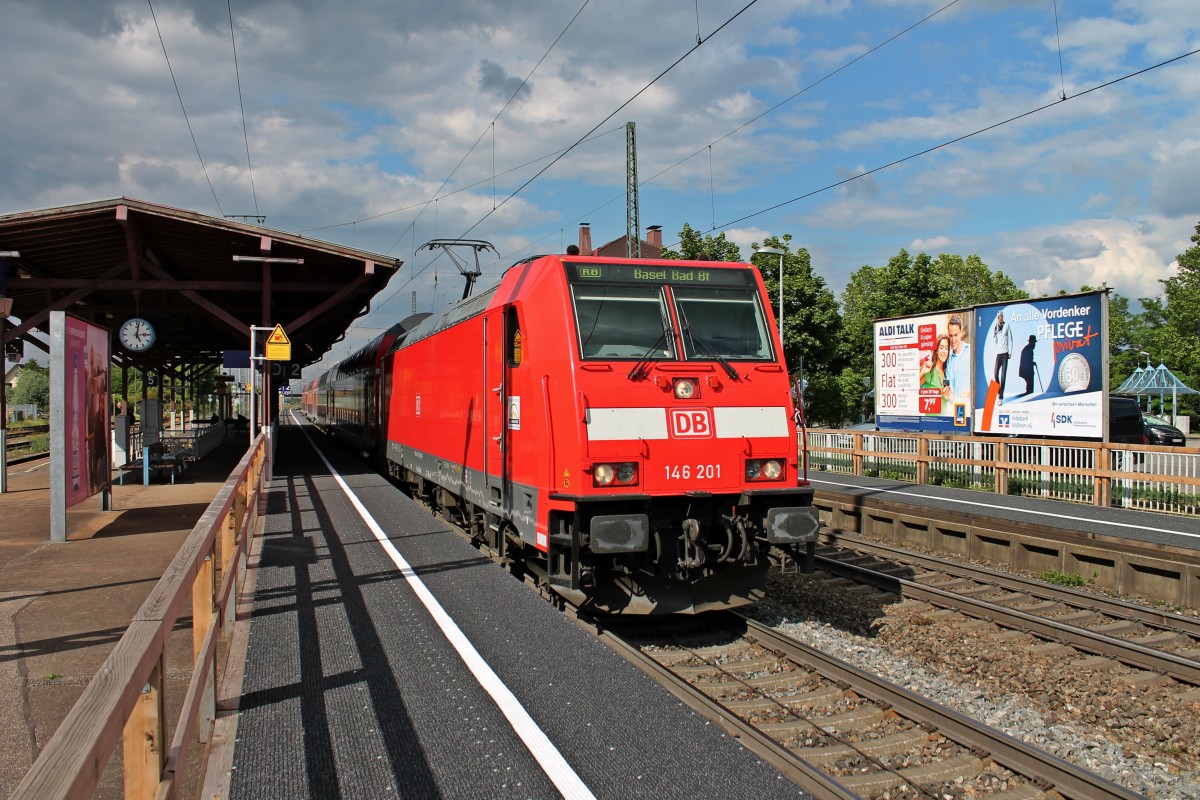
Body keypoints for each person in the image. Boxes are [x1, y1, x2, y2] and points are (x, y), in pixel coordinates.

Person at [944, 314, 971, 405]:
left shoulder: (971, 351)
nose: (953, 339)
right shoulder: (947, 360)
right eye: (950, 336)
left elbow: (980, 380)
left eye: (956, 335)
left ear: (961, 333)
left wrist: (970, 392)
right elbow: (949, 390)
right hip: (955, 409)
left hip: (971, 408)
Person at [990, 312, 1014, 401]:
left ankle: (1001, 397)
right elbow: (995, 340)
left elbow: (1011, 339)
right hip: (998, 354)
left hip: (1005, 355)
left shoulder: (1007, 325)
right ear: (998, 317)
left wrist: (1010, 352)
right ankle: (999, 390)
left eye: (1002, 316)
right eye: (1000, 317)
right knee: (995, 374)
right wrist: (995, 333)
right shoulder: (996, 326)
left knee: (1003, 376)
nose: (1001, 318)